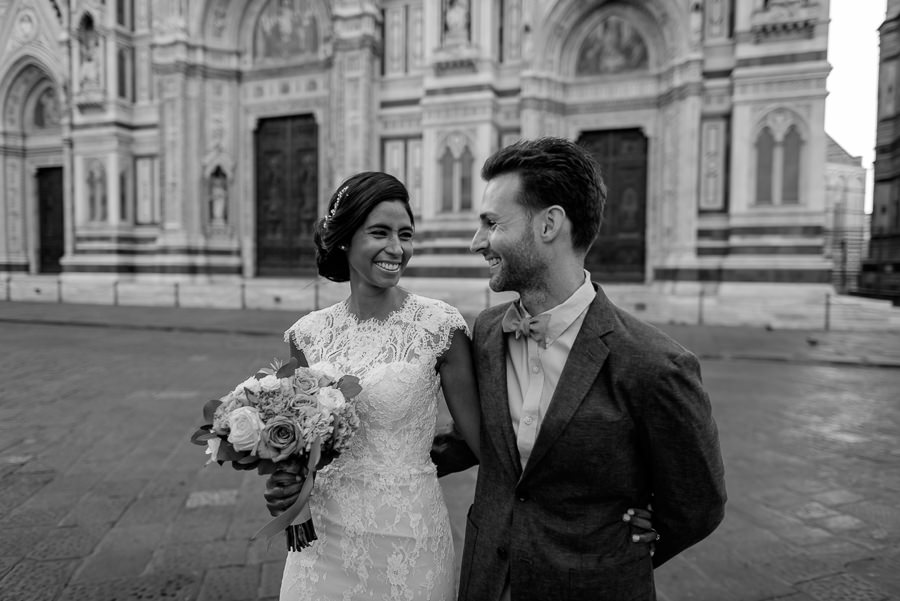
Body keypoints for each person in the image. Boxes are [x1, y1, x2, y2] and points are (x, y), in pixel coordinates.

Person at [434, 137, 727, 601]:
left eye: (492, 223)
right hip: (485, 581)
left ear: (549, 224)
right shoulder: (487, 333)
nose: (477, 243)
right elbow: (475, 439)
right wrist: (348, 456)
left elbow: (698, 505)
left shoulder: (655, 365)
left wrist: (616, 553)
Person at [267, 171, 481, 601]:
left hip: (411, 536)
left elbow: (485, 443)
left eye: (406, 234)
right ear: (345, 238)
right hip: (323, 540)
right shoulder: (305, 335)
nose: (396, 249)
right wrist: (284, 482)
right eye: (379, 233)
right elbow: (298, 443)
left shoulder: (440, 327)